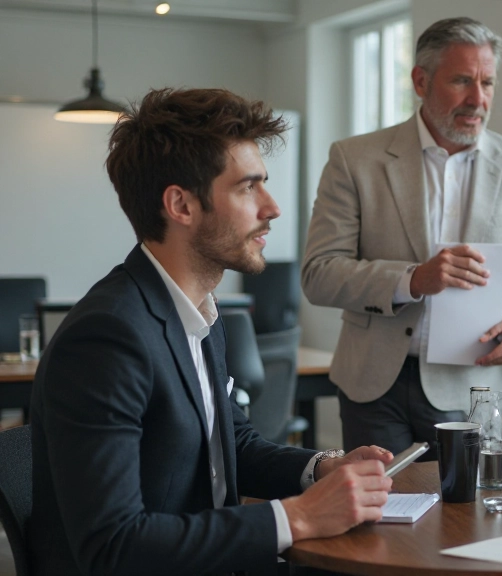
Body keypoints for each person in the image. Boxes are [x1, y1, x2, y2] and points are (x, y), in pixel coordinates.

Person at [29, 88, 395, 576]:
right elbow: (112, 546)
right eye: (248, 187)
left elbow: (228, 443)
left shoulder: (199, 309)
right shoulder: (107, 338)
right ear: (181, 205)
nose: (272, 207)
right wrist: (299, 516)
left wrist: (322, 467)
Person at [302, 17, 502, 457]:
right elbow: (318, 273)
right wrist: (412, 280)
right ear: (420, 81)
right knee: (379, 519)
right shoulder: (354, 160)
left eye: (487, 82)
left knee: (472, 522)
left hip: (474, 389)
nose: (478, 99)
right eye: (462, 81)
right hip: (373, 385)